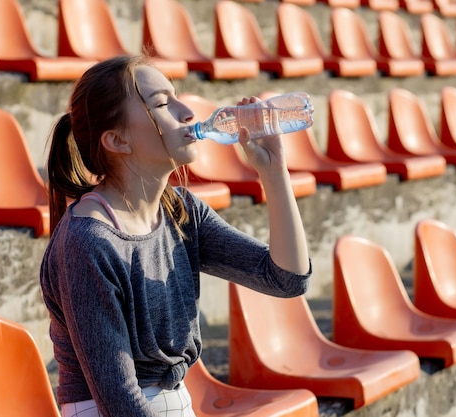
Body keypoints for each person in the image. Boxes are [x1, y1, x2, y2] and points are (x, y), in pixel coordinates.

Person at [39, 54, 312, 417]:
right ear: (117, 140)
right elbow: (119, 401)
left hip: (176, 401)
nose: (187, 112)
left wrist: (275, 174)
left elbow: (286, 279)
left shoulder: (181, 211)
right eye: (164, 103)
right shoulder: (88, 241)